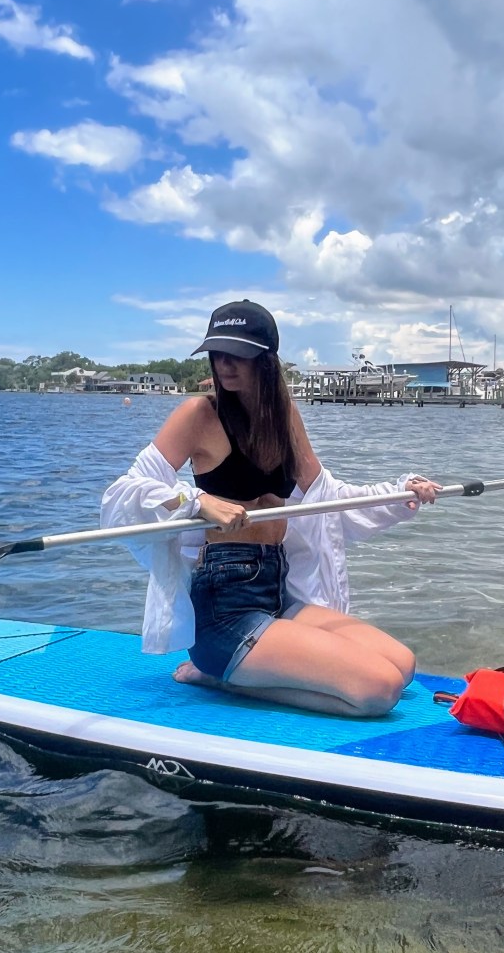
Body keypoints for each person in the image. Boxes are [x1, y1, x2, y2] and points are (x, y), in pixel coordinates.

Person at [101, 299, 440, 717]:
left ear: (265, 359)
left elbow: (325, 496)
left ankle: (237, 671)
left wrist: (400, 492)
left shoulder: (284, 416)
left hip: (277, 590)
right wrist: (198, 501)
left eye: (238, 354)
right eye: (217, 353)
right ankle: (218, 674)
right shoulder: (198, 415)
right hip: (225, 605)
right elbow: (126, 492)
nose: (225, 364)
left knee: (402, 666)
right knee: (379, 690)